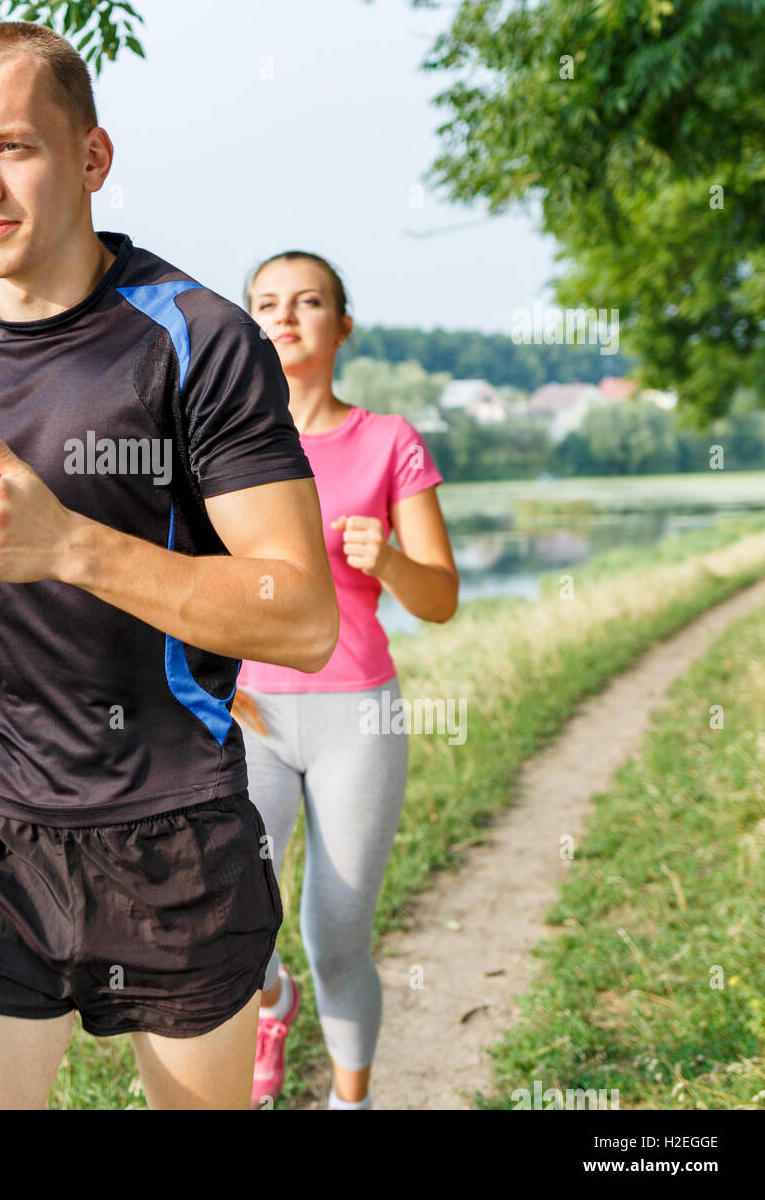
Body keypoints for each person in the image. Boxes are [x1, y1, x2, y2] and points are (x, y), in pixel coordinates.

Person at [0, 20, 339, 1110]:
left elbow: (301, 614)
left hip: (174, 838)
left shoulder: (197, 340)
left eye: (13, 146)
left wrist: (67, 543)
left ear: (90, 158)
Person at [233, 252, 459, 1110]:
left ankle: (352, 1102)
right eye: (266, 304)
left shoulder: (388, 441)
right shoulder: (224, 442)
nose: (286, 316)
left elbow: (439, 599)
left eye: (309, 301)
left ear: (342, 325)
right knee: (232, 918)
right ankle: (272, 1004)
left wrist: (392, 561)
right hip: (248, 712)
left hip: (355, 714)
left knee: (336, 935)